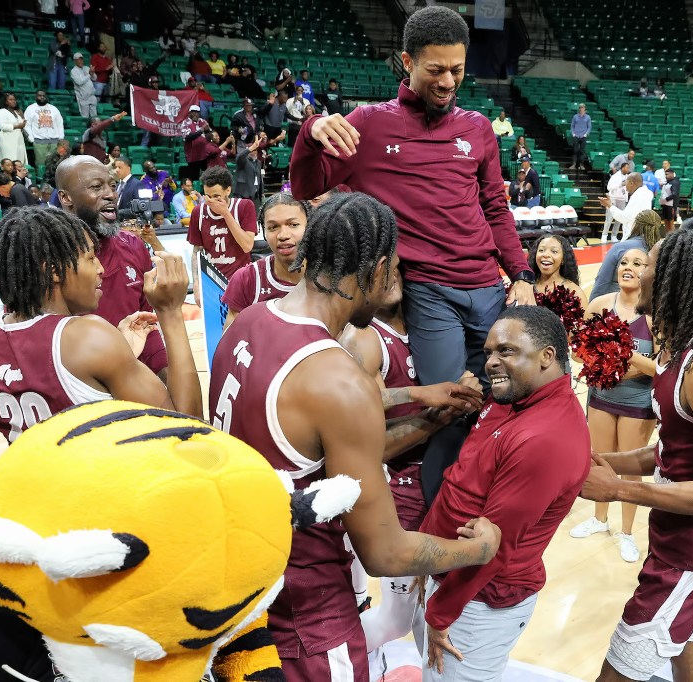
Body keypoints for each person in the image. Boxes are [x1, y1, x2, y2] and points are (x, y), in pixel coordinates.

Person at [209, 192, 500, 680]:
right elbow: (387, 553)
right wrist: (480, 550)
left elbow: (296, 418)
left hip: (240, 590)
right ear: (380, 267)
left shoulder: (251, 321)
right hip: (306, 617)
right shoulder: (337, 380)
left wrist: (416, 396)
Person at [290, 5, 535, 502]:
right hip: (430, 295)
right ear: (407, 61)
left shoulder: (478, 129)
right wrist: (311, 133)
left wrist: (522, 272)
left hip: (489, 286)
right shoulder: (369, 125)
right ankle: (441, 510)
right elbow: (305, 183)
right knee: (451, 403)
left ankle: (502, 498)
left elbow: (494, 205)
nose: (448, 81)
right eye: (436, 69)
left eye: (458, 70)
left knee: (510, 398)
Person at [581, 229, 693, 682]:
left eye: (650, 267)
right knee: (688, 657)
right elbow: (671, 450)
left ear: (676, 281)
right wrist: (612, 463)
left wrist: (620, 489)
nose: (639, 274)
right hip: (678, 543)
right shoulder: (684, 349)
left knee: (618, 671)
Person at [419, 305, 590, 679]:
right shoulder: (512, 400)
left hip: (478, 603)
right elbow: (460, 482)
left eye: (507, 351)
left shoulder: (545, 436)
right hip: (449, 580)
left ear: (547, 356)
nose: (491, 362)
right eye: (490, 351)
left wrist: (440, 612)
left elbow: (494, 549)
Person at [0, 207, 201, 447]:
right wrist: (169, 311)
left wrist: (120, 348)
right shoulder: (88, 337)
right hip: (99, 482)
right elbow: (187, 429)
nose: (101, 269)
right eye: (90, 258)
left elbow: (47, 371)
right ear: (54, 271)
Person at [342, 273, 483, 664]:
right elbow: (369, 443)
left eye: (395, 266)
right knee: (396, 618)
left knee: (429, 610)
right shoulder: (365, 338)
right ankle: (321, 662)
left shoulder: (432, 328)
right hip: (396, 491)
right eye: (377, 269)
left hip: (440, 484)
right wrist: (439, 415)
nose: (387, 277)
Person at [570, 246, 656, 563]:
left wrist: (622, 360)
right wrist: (594, 357)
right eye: (623, 262)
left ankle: (627, 532)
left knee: (630, 471)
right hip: (602, 397)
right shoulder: (599, 304)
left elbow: (661, 366)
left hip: (638, 401)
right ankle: (599, 518)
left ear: (649, 271)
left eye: (637, 263)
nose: (628, 267)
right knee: (599, 460)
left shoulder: (655, 313)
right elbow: (580, 352)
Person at [56, 155, 170, 376]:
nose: (110, 194)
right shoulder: (44, 256)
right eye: (96, 187)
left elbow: (147, 323)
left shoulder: (134, 246)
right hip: (76, 388)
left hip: (133, 380)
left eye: (112, 185)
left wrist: (165, 378)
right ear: (66, 198)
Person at [222, 192, 307, 328]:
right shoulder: (247, 279)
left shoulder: (328, 277)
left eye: (293, 224)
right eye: (273, 227)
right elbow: (231, 343)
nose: (283, 235)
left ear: (309, 227)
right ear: (264, 233)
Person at [187, 165, 258, 287]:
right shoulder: (198, 212)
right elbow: (196, 252)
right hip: (211, 282)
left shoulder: (244, 206)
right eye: (207, 196)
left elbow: (247, 246)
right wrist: (196, 282)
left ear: (228, 191)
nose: (210, 201)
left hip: (241, 280)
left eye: (216, 196)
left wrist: (225, 213)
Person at [592, 210, 669, 299]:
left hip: (617, 304)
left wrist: (592, 307)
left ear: (635, 225)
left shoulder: (620, 248)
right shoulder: (663, 251)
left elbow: (602, 281)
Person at [529, 234, 588, 305]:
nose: (546, 255)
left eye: (554, 251)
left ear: (563, 259)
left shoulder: (574, 292)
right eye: (541, 250)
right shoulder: (526, 286)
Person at [600, 172, 654, 243]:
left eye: (626, 182)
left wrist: (610, 205)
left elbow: (624, 218)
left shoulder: (639, 196)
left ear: (631, 183)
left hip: (634, 238)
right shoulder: (642, 194)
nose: (625, 185)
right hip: (637, 236)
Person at [22, 90, 64, 170]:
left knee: (55, 164)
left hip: (54, 141)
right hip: (39, 141)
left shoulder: (53, 108)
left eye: (44, 95)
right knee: (41, 164)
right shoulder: (30, 109)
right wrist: (31, 138)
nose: (42, 97)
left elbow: (59, 123)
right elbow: (27, 125)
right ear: (36, 97)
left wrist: (60, 137)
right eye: (39, 95)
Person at [180, 104, 211, 180]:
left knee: (207, 175)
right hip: (192, 155)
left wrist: (208, 131)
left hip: (204, 154)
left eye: (197, 112)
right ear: (189, 113)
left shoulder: (203, 121)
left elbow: (210, 133)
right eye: (193, 112)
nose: (195, 114)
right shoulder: (185, 122)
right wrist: (201, 130)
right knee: (194, 176)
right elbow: (187, 137)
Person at [0, 93, 28, 165]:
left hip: (18, 139)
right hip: (7, 139)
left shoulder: (16, 112)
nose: (13, 101)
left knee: (19, 160)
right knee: (10, 159)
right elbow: (2, 126)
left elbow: (22, 125)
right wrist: (17, 126)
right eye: (10, 100)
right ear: (6, 101)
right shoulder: (2, 112)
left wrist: (22, 117)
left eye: (14, 99)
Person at [70, 52, 98, 120]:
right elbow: (79, 82)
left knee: (94, 117)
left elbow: (95, 78)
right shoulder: (73, 71)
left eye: (81, 59)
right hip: (83, 97)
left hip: (92, 95)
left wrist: (93, 73)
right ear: (74, 61)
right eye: (78, 59)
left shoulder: (86, 68)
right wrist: (89, 74)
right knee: (85, 117)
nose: (80, 61)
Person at [569, 103, 591, 170]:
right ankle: (574, 164)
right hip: (576, 135)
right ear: (579, 109)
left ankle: (581, 165)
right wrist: (573, 134)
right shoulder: (575, 116)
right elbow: (572, 126)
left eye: (582, 107)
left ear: (585, 108)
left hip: (583, 136)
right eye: (580, 107)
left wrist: (586, 134)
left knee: (582, 151)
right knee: (575, 151)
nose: (581, 109)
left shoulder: (588, 117)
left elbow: (589, 127)